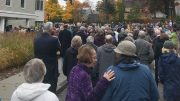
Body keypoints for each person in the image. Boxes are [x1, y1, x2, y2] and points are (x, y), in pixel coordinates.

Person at [34, 22, 61, 93]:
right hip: (51, 68)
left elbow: (35, 53)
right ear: (50, 29)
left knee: (40, 89)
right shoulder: (54, 40)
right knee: (51, 89)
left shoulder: (36, 39)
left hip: (39, 66)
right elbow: (59, 51)